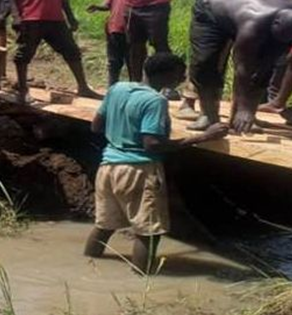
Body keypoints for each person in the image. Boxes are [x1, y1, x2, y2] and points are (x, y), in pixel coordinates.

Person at [84, 52, 228, 274]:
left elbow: (96, 126)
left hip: (108, 166)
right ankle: (142, 280)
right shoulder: (155, 101)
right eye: (180, 75)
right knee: (149, 233)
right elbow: (152, 144)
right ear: (166, 75)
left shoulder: (117, 89)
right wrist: (203, 137)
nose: (182, 79)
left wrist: (123, 132)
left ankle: (87, 265)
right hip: (139, 170)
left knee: (105, 225)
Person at [188, 0, 292, 134]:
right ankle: (209, 115)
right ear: (275, 24)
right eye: (280, 36)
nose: (282, 42)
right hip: (211, 12)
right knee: (205, 63)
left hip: (261, 19)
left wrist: (249, 110)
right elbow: (242, 67)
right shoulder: (253, 23)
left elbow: (265, 67)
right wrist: (245, 109)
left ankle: (242, 118)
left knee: (266, 66)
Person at [87, 0, 131, 87]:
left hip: (133, 31)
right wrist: (97, 7)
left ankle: (134, 89)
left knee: (133, 63)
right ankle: (112, 88)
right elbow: (108, 5)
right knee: (114, 62)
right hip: (114, 28)